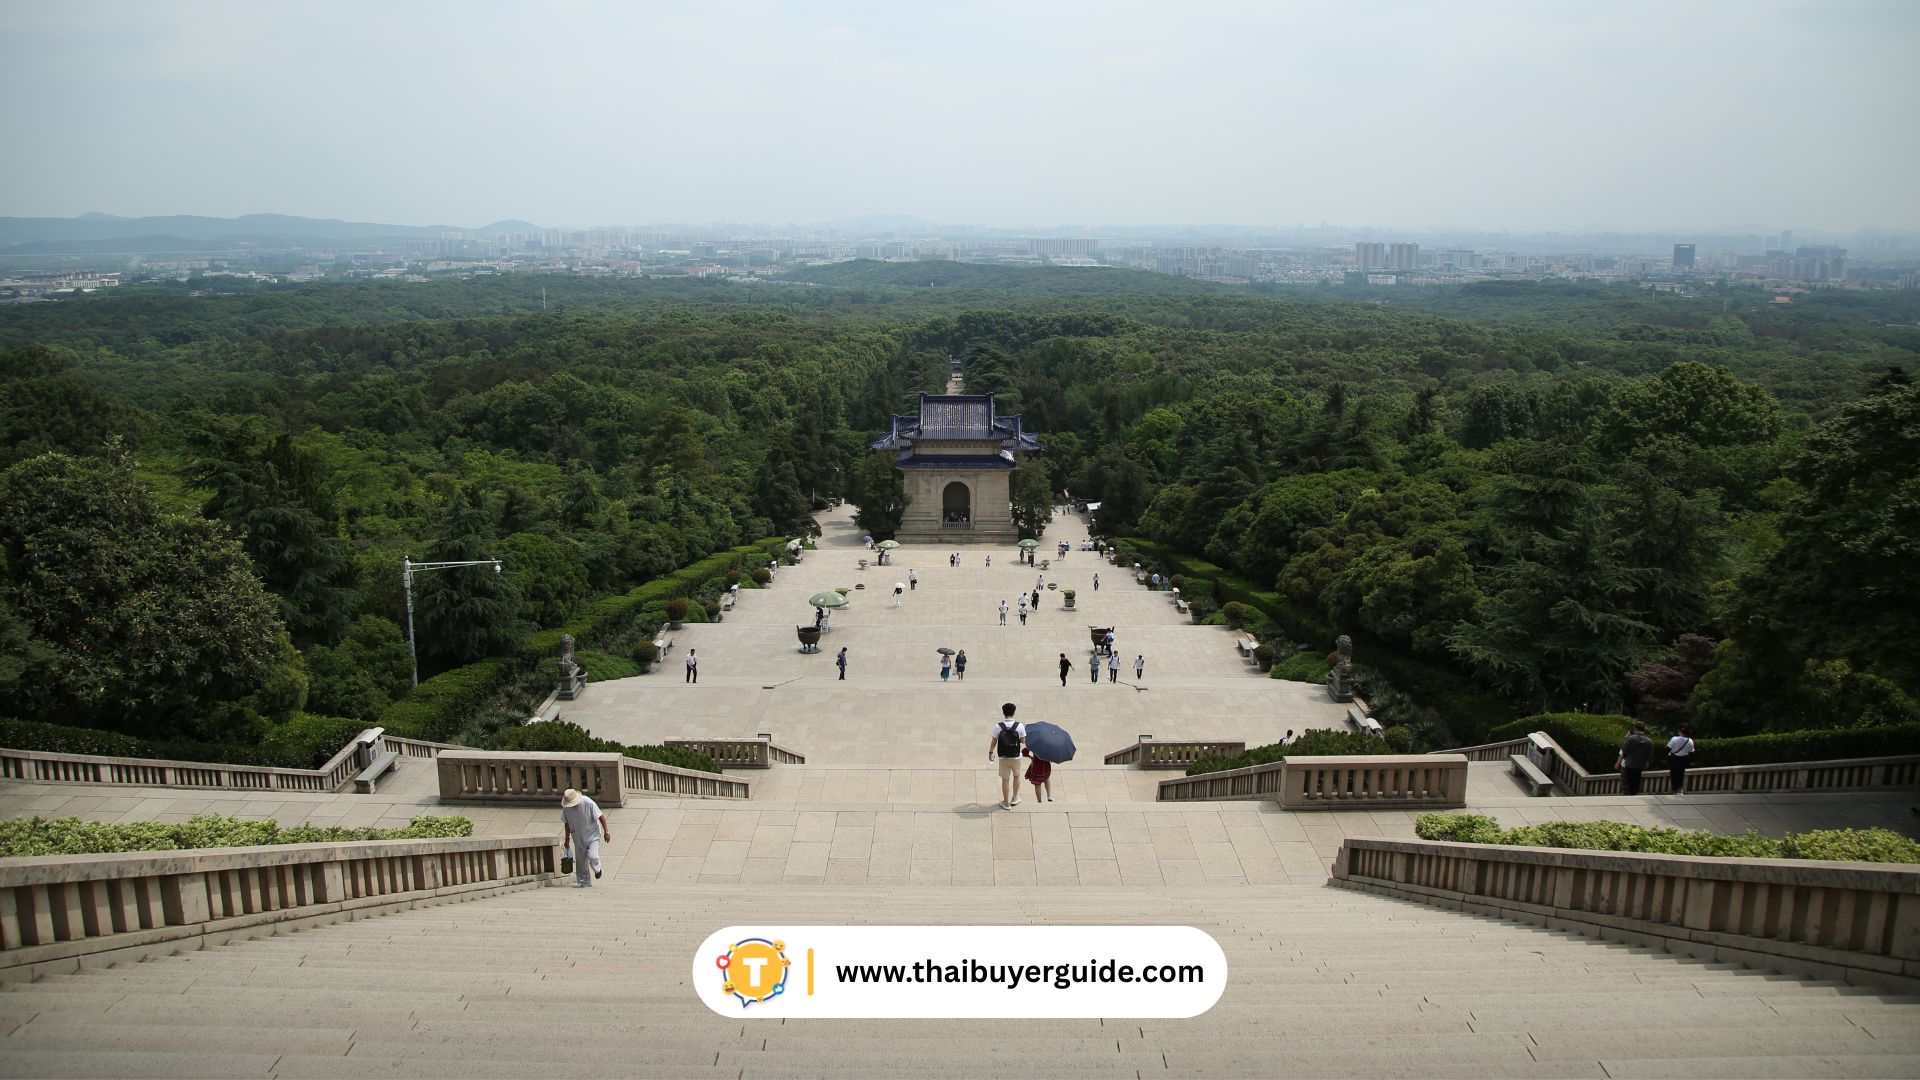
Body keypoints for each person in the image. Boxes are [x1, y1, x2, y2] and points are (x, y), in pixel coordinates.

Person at [560, 788, 609, 887]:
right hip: (578, 836)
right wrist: (567, 839)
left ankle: (597, 869)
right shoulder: (566, 808)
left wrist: (606, 832)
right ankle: (584, 882)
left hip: (592, 834)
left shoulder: (588, 802)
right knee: (581, 862)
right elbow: (566, 823)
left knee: (592, 855)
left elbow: (601, 816)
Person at [990, 704, 1026, 809]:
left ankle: (1006, 803)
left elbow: (994, 741)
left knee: (1005, 780)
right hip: (1016, 757)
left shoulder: (998, 726)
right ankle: (1015, 798)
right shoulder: (1019, 726)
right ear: (1014, 712)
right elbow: (1023, 741)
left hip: (1003, 757)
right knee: (1016, 776)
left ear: (1003, 713)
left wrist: (990, 752)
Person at [1617, 724, 1655, 795]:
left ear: (1636, 729)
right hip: (1641, 764)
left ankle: (1631, 793)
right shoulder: (1649, 741)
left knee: (1629, 779)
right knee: (1637, 778)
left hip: (1630, 763)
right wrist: (1647, 763)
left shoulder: (1631, 739)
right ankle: (1635, 792)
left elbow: (1624, 751)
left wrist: (1620, 762)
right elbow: (1649, 755)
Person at [1667, 724, 1697, 795]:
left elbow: (1667, 748)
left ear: (1680, 732)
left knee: (1673, 774)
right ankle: (1679, 789)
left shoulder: (1674, 738)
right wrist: (1691, 762)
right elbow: (1692, 752)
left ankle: (1674, 789)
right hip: (1684, 759)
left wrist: (1666, 757)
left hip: (1674, 758)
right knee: (1681, 774)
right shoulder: (1690, 741)